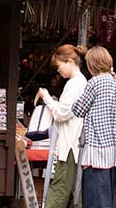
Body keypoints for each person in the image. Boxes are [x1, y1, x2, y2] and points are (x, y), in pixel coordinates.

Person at [70, 45, 116, 208]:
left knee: (94, 197)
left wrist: (72, 102)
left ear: (92, 64)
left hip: (96, 149)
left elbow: (79, 110)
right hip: (113, 149)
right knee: (108, 196)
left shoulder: (94, 83)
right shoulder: (115, 83)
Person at [38, 44, 89, 208]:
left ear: (70, 61)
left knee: (60, 189)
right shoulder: (80, 82)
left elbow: (62, 113)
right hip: (74, 143)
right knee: (73, 191)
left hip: (70, 144)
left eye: (59, 66)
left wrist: (47, 98)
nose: (58, 70)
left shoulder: (74, 84)